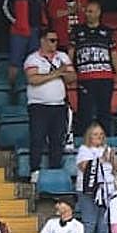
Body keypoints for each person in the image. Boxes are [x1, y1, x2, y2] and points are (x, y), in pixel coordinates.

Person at [25, 30, 75, 183]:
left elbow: (72, 77)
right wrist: (57, 73)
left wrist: (58, 74)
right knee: (37, 138)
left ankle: (54, 170)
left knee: (57, 139)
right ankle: (34, 170)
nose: (55, 43)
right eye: (51, 40)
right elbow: (33, 79)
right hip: (38, 105)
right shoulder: (33, 58)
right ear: (42, 41)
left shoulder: (63, 57)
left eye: (56, 40)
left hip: (59, 105)